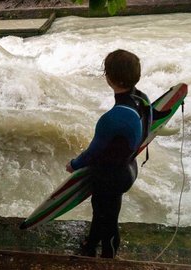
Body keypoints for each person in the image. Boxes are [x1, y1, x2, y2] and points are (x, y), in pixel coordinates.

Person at [65, 49, 152, 258]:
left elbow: (93, 152)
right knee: (104, 212)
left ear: (109, 78)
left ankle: (109, 255)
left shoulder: (112, 119)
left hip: (110, 176)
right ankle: (90, 243)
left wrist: (73, 165)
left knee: (108, 217)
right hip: (128, 166)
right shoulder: (143, 100)